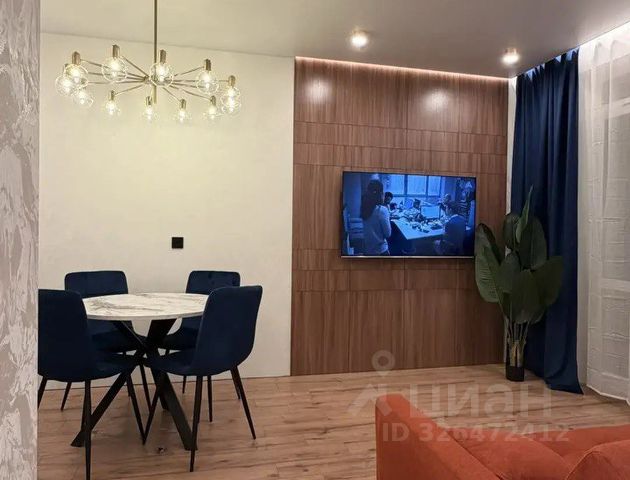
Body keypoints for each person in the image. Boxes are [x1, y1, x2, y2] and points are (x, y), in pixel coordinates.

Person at [360, 179, 391, 255]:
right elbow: (388, 234)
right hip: (381, 252)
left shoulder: (364, 208)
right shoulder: (382, 210)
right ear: (381, 194)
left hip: (368, 251)